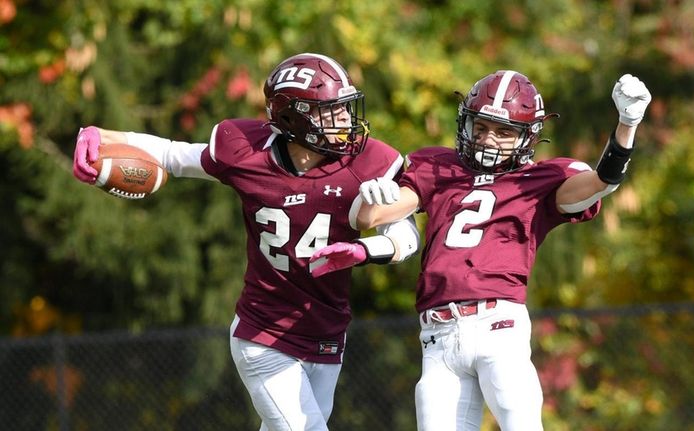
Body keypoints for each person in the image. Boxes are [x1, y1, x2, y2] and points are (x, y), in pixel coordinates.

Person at [72, 52, 420, 431]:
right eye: (330, 112)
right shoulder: (246, 152)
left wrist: (365, 249)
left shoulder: (367, 162)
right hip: (265, 334)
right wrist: (101, 137)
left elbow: (406, 234)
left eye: (344, 109)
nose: (344, 121)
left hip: (327, 330)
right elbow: (174, 155)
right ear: (293, 117)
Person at [309, 70, 651, 430]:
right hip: (437, 339)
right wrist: (368, 199)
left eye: (504, 132)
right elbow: (372, 217)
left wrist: (627, 126)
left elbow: (601, 182)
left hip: (499, 328)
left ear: (527, 136)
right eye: (482, 126)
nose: (489, 139)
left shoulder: (540, 180)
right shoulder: (438, 166)